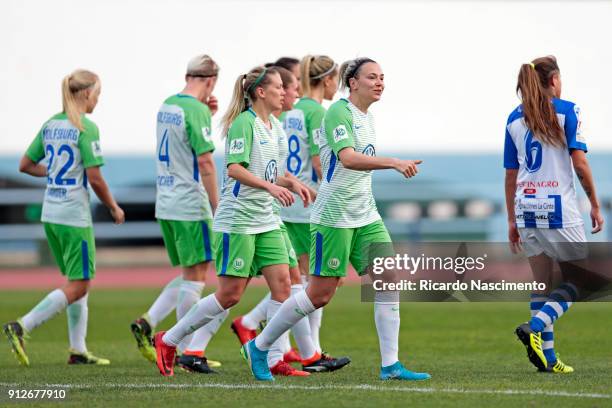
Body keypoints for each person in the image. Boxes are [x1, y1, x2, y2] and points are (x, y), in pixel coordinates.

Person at [242, 57, 431, 382]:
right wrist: (394, 163)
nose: (379, 82)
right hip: (334, 216)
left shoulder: (367, 117)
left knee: (387, 283)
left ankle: (390, 366)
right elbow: (348, 159)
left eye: (382, 77)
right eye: (372, 77)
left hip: (366, 215)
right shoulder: (337, 113)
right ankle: (259, 346)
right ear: (352, 82)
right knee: (319, 294)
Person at [152, 66, 313, 377]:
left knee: (284, 287)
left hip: (265, 220)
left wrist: (290, 182)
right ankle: (169, 340)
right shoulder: (244, 124)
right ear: (261, 93)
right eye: (279, 87)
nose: (284, 91)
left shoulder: (276, 127)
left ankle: (268, 357)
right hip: (237, 220)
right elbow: (236, 169)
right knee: (230, 295)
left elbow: (268, 172)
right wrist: (271, 186)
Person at [232, 56, 350, 371]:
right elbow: (318, 162)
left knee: (298, 281)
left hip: (288, 203)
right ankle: (296, 345)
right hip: (307, 205)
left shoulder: (289, 115)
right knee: (317, 282)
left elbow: (278, 164)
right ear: (326, 80)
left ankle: (285, 346)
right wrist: (337, 197)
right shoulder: (316, 113)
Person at [3, 69, 125, 366]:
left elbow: (25, 164)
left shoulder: (51, 125)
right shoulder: (85, 127)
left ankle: (77, 350)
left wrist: (55, 172)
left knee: (75, 280)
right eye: (98, 93)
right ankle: (23, 326)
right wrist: (113, 206)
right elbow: (95, 178)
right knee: (80, 284)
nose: (98, 99)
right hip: (73, 215)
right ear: (86, 94)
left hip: (52, 214)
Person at [505, 55, 604, 373]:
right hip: (558, 208)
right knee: (582, 279)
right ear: (554, 81)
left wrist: (511, 219)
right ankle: (534, 327)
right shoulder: (567, 110)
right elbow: (579, 162)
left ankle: (547, 358)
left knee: (543, 285)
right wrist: (595, 203)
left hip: (525, 208)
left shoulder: (513, 119)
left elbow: (510, 174)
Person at [129, 54, 223, 374]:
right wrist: (217, 205)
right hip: (189, 202)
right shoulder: (195, 110)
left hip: (166, 200)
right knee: (197, 277)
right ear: (211, 81)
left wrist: (204, 115)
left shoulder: (167, 104)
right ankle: (182, 350)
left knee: (189, 274)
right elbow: (206, 163)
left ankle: (150, 322)